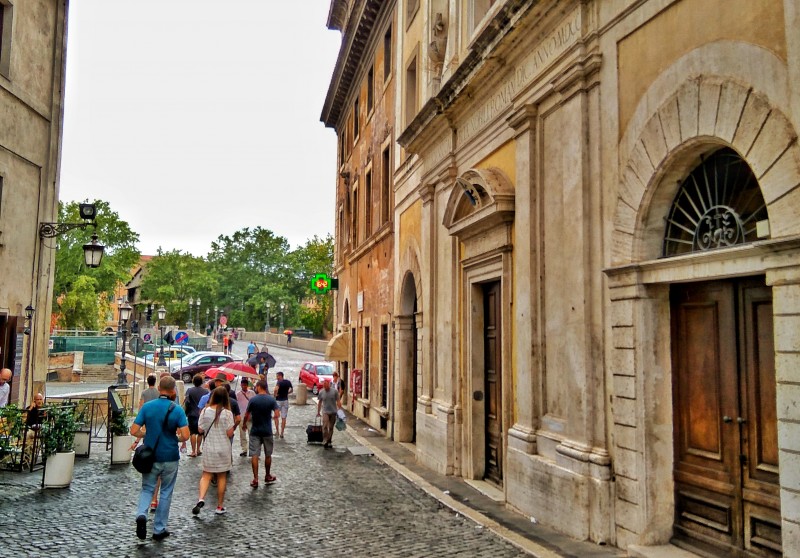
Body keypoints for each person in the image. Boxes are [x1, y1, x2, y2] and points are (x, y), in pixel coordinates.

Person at [130, 376, 190, 541]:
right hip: (170, 456)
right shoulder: (177, 409)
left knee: (147, 488)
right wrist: (174, 438)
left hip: (151, 456)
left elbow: (133, 430)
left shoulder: (148, 407)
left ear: (158, 388)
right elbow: (185, 435)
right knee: (165, 492)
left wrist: (146, 434)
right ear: (172, 391)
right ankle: (159, 529)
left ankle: (142, 514)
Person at [193, 386, 236, 516]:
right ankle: (219, 506)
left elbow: (200, 430)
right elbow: (230, 433)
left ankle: (201, 498)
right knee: (221, 476)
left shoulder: (205, 411)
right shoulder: (228, 413)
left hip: (209, 448)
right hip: (223, 448)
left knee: (206, 475)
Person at [243, 380, 279, 487]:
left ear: (259, 387)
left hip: (255, 431)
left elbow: (246, 414)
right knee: (268, 455)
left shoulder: (253, 400)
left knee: (254, 454)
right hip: (267, 430)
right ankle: (267, 476)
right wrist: (271, 418)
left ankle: (255, 479)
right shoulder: (271, 399)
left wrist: (244, 424)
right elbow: (277, 414)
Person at [183, 375, 209, 458]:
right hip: (201, 414)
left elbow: (187, 402)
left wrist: (185, 412)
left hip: (191, 413)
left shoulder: (189, 390)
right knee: (200, 433)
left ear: (193, 382)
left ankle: (193, 451)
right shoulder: (206, 391)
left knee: (192, 432)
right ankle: (198, 449)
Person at [316, 379, 341, 449]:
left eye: (326, 385)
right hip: (325, 412)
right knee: (324, 426)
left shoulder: (334, 392)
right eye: (324, 385)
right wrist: (318, 412)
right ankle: (325, 440)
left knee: (331, 427)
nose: (325, 386)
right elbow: (320, 402)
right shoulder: (321, 392)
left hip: (333, 412)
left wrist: (340, 410)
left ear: (329, 385)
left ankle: (329, 440)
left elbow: (338, 401)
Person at [235, 378, 256, 456]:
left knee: (251, 433)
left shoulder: (252, 393)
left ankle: (252, 449)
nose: (243, 386)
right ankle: (244, 449)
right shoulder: (237, 394)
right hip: (241, 415)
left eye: (245, 385)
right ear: (241, 385)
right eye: (242, 385)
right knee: (242, 434)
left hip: (250, 416)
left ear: (247, 385)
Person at [273, 372, 293, 438]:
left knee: (276, 416)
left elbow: (276, 389)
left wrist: (275, 395)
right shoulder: (288, 382)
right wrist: (287, 393)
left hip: (278, 401)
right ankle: (282, 433)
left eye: (277, 376)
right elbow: (291, 390)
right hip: (285, 400)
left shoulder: (279, 382)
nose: (277, 378)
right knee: (284, 417)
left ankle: (277, 431)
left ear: (280, 376)